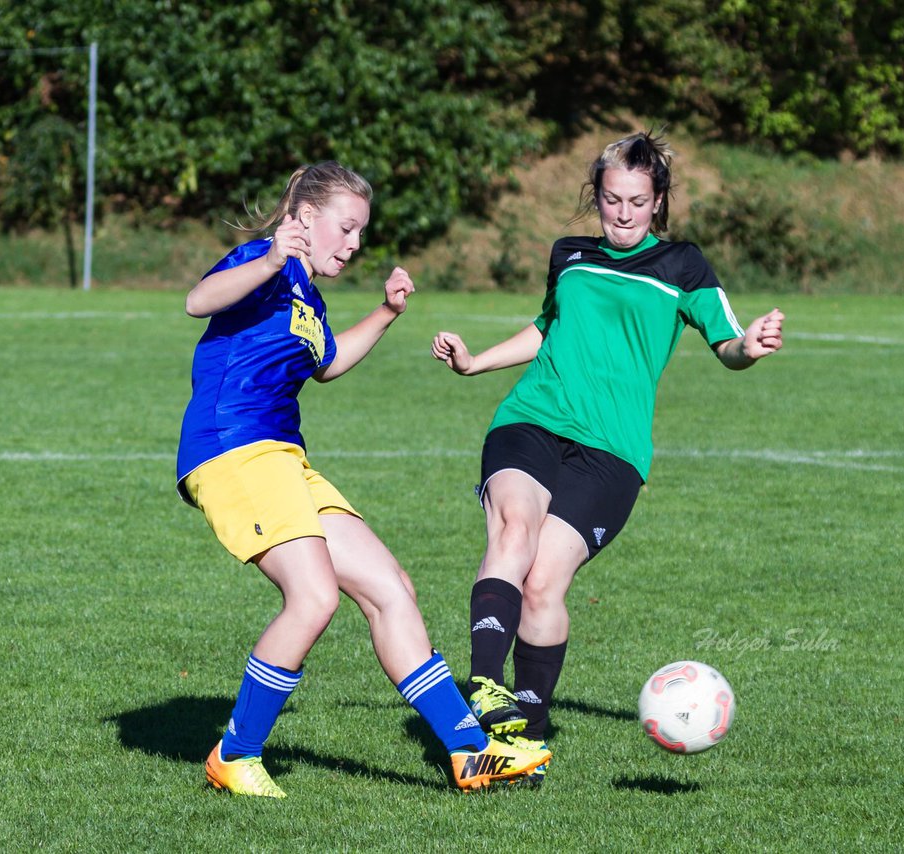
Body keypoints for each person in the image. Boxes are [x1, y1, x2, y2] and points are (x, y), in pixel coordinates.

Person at [176, 161, 550, 798]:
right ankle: (234, 755)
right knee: (314, 597)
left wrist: (385, 312)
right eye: (346, 229)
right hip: (230, 450)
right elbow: (196, 301)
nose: (353, 245)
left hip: (284, 458)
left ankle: (469, 752)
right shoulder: (260, 261)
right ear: (304, 218)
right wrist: (268, 260)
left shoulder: (305, 294)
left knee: (390, 587)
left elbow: (325, 363)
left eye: (360, 233)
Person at [430, 131, 785, 784]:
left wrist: (750, 345)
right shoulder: (570, 254)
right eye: (611, 199)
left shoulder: (683, 265)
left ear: (658, 203)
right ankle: (483, 683)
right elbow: (547, 328)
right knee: (516, 528)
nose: (622, 214)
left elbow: (726, 342)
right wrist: (477, 362)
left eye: (637, 202)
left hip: (613, 453)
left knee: (544, 584)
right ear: (595, 196)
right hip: (531, 420)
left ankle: (520, 747)